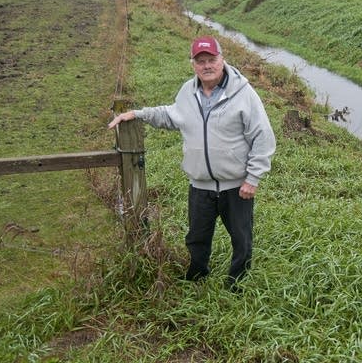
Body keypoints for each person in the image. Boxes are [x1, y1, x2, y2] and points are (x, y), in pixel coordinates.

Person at [108, 36, 276, 290]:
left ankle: (237, 283)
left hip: (236, 185)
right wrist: (137, 114)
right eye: (201, 61)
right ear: (193, 64)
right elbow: (170, 115)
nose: (207, 66)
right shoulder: (188, 92)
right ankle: (197, 277)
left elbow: (263, 137)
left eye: (212, 60)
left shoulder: (244, 93)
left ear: (222, 60)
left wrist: (253, 179)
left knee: (241, 238)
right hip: (200, 185)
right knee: (197, 237)